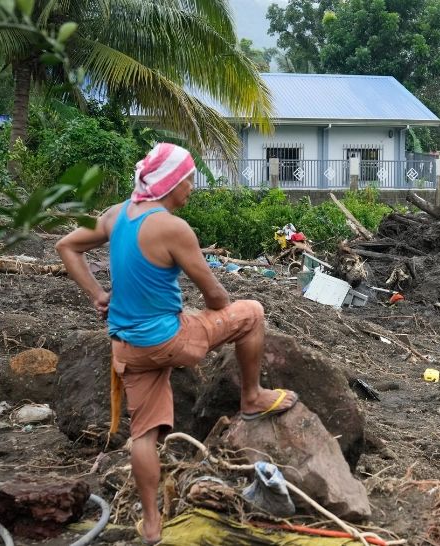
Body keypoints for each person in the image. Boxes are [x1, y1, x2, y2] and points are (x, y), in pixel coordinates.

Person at [55, 143, 299, 545]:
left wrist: (99, 295)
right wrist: (215, 306)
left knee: (143, 437)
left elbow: (66, 245)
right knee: (252, 312)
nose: (192, 188)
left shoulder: (117, 214)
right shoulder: (172, 227)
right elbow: (217, 297)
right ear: (173, 181)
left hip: (127, 346)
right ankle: (252, 396)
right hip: (171, 340)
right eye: (190, 179)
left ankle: (152, 525)